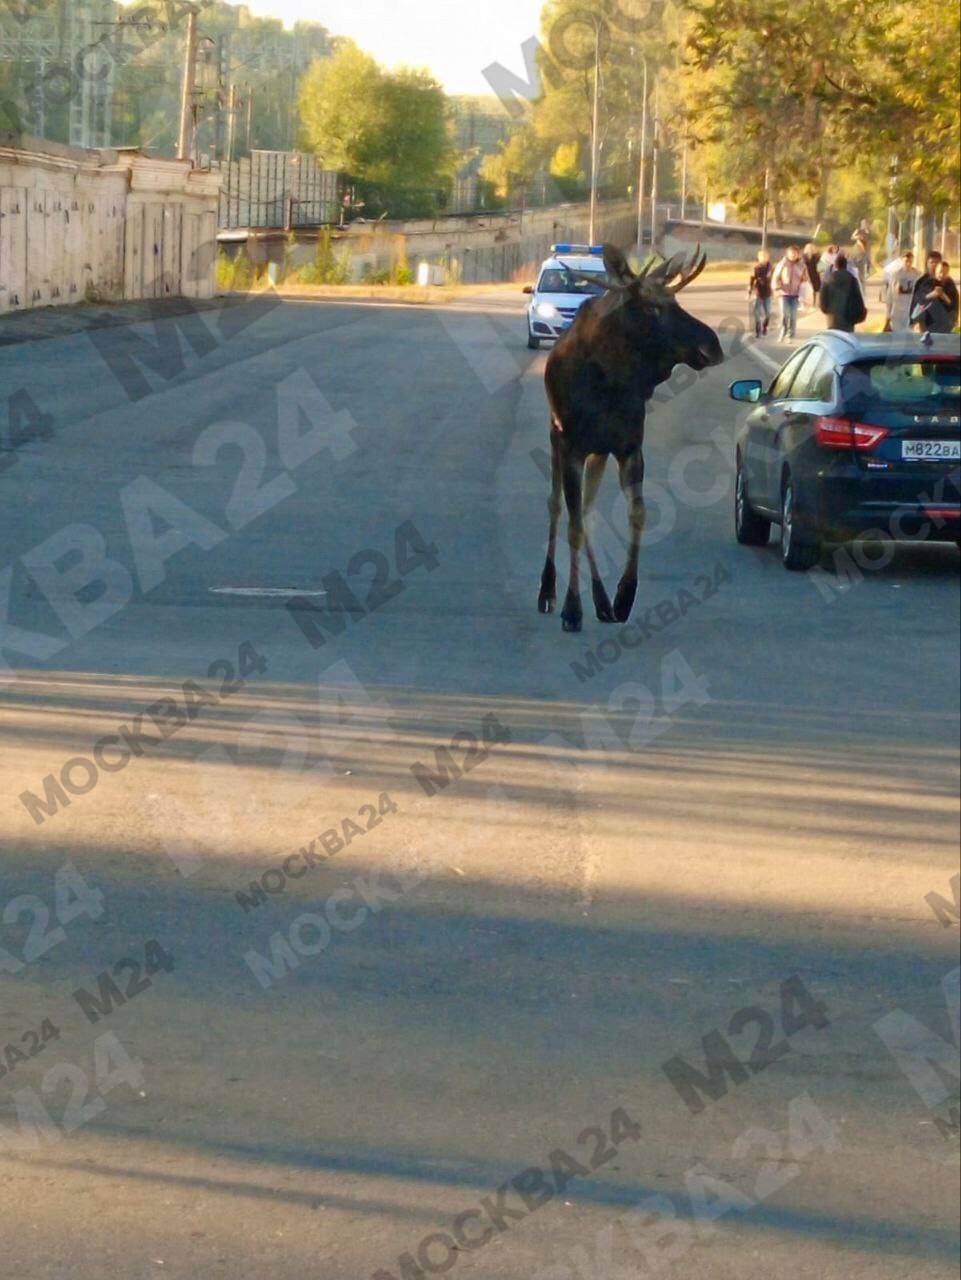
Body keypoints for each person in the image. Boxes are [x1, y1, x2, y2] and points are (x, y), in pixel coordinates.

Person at [819, 253, 867, 332]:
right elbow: (858, 298)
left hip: (832, 318)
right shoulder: (852, 280)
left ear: (835, 265)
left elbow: (822, 299)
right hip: (848, 316)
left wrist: (825, 309)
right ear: (845, 265)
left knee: (835, 338)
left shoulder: (828, 280)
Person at [771, 245, 806, 340]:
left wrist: (804, 294)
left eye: (795, 253)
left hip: (795, 295)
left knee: (793, 315)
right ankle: (783, 331)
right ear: (787, 254)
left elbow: (805, 280)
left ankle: (791, 334)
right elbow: (775, 277)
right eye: (791, 253)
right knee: (785, 314)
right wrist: (776, 288)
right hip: (783, 293)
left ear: (798, 254)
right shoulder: (782, 264)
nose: (793, 255)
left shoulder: (802, 266)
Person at [916, 260, 959, 333]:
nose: (942, 275)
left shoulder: (951, 286)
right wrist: (932, 294)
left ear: (948, 273)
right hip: (928, 324)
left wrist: (943, 296)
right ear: (936, 271)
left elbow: (954, 305)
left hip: (945, 325)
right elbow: (920, 299)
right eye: (940, 272)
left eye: (945, 273)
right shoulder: (928, 283)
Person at [885, 250, 920, 332]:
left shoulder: (917, 275)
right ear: (902, 261)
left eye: (910, 261)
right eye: (906, 261)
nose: (908, 264)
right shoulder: (896, 275)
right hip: (897, 314)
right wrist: (888, 316)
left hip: (911, 312)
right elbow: (890, 297)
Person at [910, 250, 943, 324]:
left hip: (943, 323)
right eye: (932, 262)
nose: (934, 265)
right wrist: (914, 321)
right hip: (925, 323)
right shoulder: (921, 282)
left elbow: (953, 302)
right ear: (927, 264)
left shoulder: (946, 281)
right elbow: (916, 301)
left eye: (937, 262)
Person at [748, 248, 773, 336]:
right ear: (758, 258)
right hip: (758, 293)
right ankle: (758, 330)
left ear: (768, 257)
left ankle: (765, 326)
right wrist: (749, 292)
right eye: (761, 257)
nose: (763, 258)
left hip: (768, 293)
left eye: (765, 257)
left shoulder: (771, 268)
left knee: (768, 313)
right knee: (757, 313)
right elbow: (751, 280)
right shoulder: (756, 268)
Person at [801, 242, 821, 309]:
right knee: (808, 289)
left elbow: (821, 265)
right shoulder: (805, 256)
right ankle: (810, 304)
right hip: (810, 273)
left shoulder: (816, 256)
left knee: (812, 289)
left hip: (813, 274)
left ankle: (812, 304)